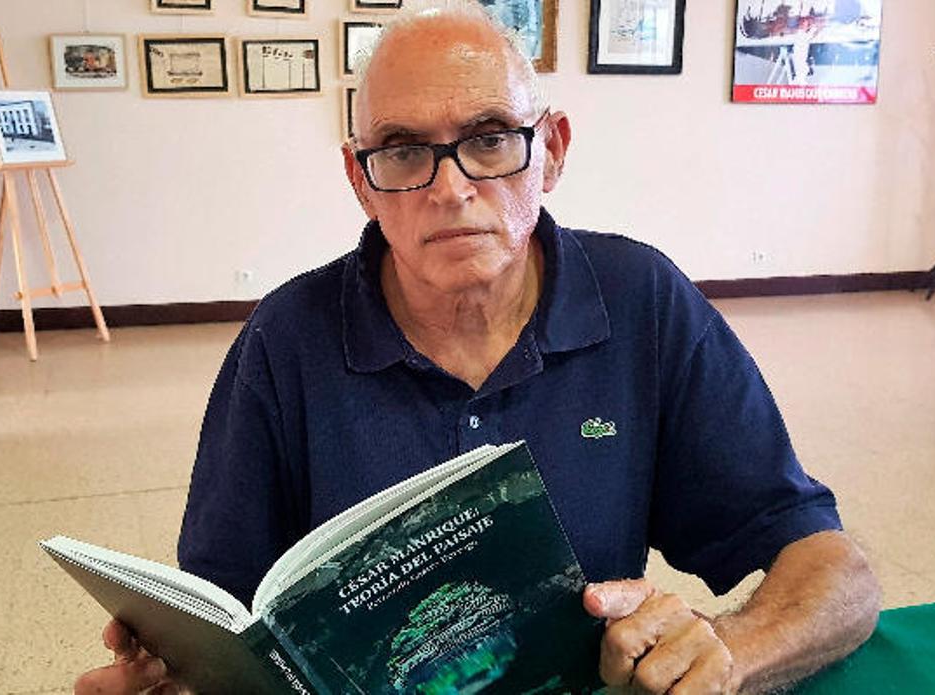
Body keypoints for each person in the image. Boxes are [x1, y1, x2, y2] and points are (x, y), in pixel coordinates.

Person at [75, 4, 880, 694]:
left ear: (552, 149)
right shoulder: (285, 340)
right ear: (361, 180)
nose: (451, 187)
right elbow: (220, 614)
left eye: (490, 138)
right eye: (402, 150)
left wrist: (733, 649)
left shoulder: (643, 302)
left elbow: (831, 565)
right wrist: (178, 673)